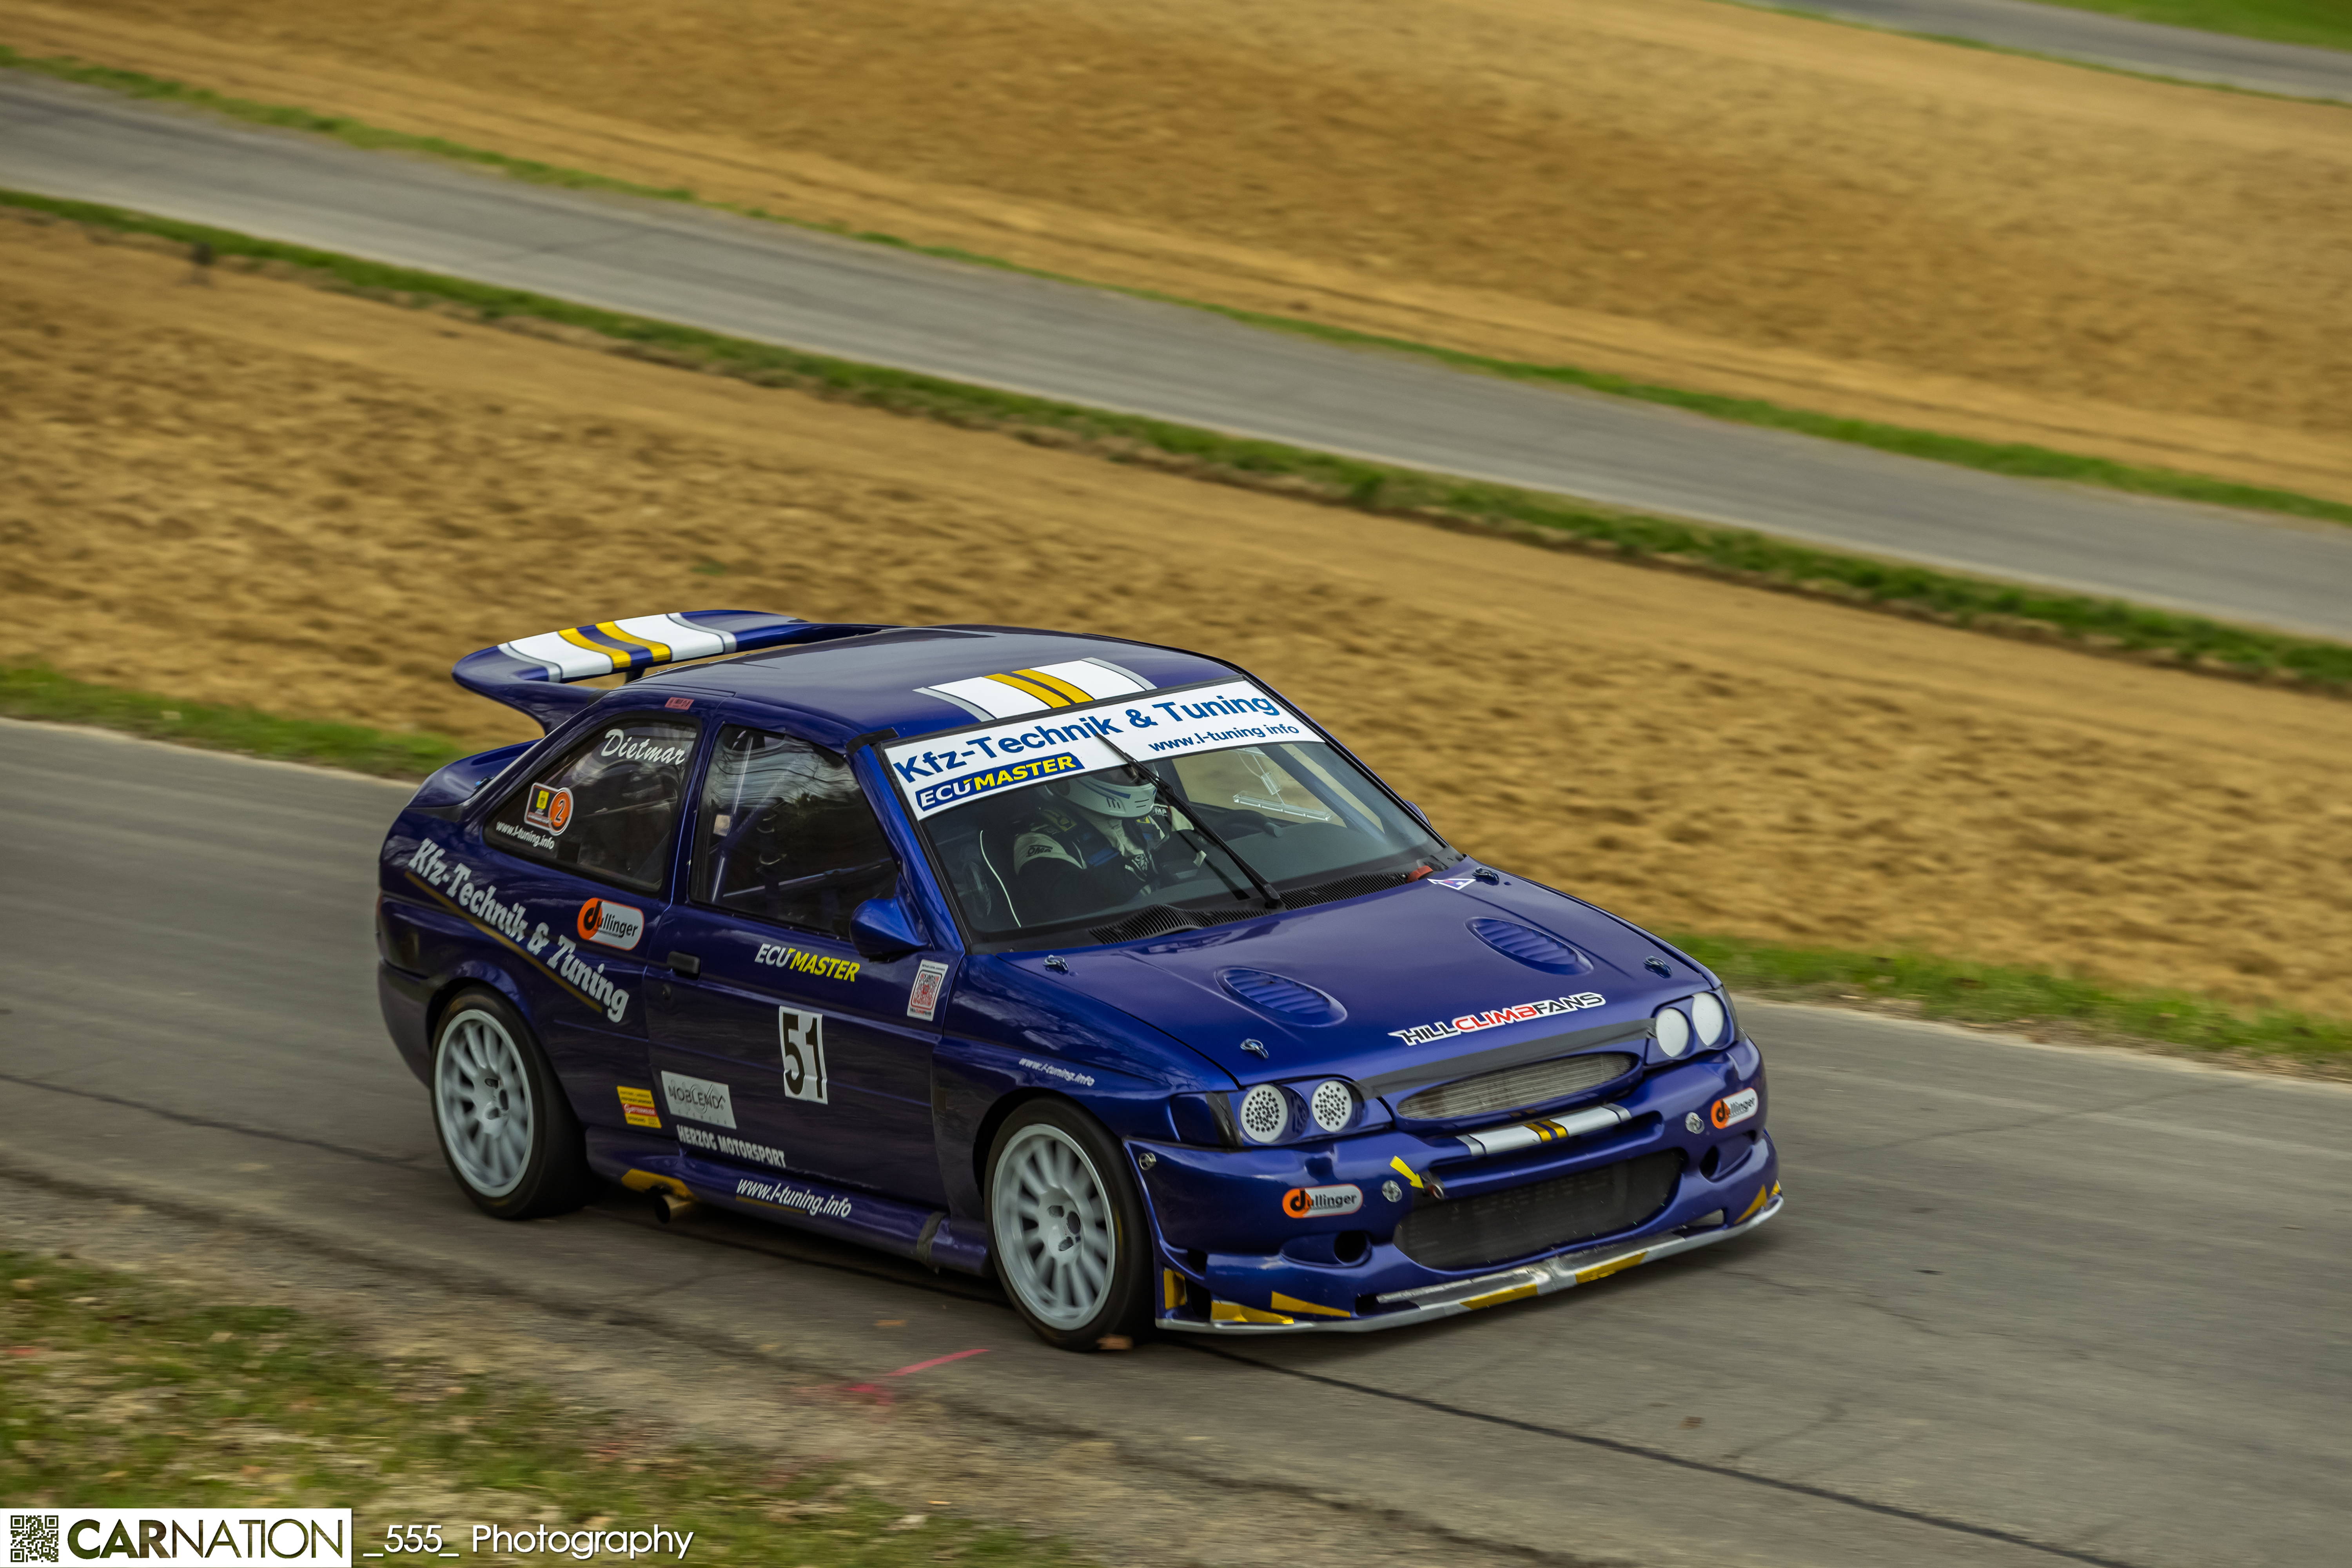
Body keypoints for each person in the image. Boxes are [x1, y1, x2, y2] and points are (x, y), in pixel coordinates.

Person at [1011, 772, 1206, 921]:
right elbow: (1066, 902)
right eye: (1117, 769)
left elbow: (1210, 873)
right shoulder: (1038, 839)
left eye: (1134, 766)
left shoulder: (1162, 817)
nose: (1133, 774)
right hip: (1115, 941)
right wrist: (1150, 863)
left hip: (1186, 921)